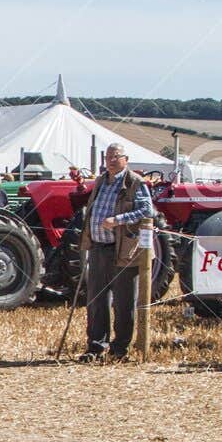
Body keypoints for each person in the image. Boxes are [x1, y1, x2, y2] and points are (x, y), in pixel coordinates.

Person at [79, 143, 154, 364]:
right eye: (108, 156)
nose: (110, 160)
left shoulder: (134, 182)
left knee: (123, 301)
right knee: (96, 299)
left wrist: (118, 220)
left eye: (115, 156)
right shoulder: (101, 181)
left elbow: (147, 211)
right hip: (98, 248)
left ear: (125, 159)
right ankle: (96, 346)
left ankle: (120, 348)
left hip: (123, 249)